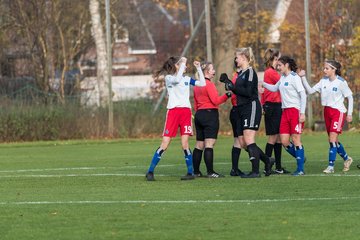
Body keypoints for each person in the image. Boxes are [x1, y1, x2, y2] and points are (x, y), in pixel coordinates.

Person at [145, 56, 206, 181]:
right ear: (176, 66)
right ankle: (150, 171)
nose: (185, 66)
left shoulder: (187, 79)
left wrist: (199, 68)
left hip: (185, 113)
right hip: (173, 113)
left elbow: (202, 83)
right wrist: (182, 63)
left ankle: (190, 172)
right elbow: (177, 80)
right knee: (165, 144)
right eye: (182, 64)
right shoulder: (169, 78)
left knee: (185, 144)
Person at [221, 47, 272, 178]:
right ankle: (267, 160)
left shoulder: (250, 72)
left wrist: (234, 87)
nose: (235, 60)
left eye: (237, 57)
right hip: (242, 108)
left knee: (249, 138)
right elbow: (238, 90)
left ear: (243, 57)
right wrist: (229, 83)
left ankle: (255, 172)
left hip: (251, 106)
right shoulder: (241, 74)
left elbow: (248, 92)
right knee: (243, 142)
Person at [299, 60, 353, 173]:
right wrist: (303, 77)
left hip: (338, 112)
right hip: (327, 111)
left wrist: (349, 113)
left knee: (332, 139)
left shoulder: (341, 82)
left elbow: (350, 97)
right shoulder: (323, 81)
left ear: (334, 70)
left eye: (327, 68)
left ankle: (331, 166)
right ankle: (347, 158)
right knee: (332, 140)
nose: (324, 70)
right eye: (324, 68)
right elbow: (309, 91)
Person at [262, 56, 307, 176]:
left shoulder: (295, 77)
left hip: (295, 111)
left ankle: (300, 168)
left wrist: (302, 112)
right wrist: (263, 84)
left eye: (280, 65)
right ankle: (300, 156)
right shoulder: (282, 77)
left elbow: (303, 95)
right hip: (285, 112)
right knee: (284, 141)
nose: (278, 67)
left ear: (286, 65)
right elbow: (275, 88)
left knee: (296, 139)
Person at [192, 62, 231, 178]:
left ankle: (196, 172)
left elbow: (195, 104)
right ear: (207, 72)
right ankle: (210, 172)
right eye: (212, 69)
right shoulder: (209, 85)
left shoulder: (197, 85)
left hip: (199, 115)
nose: (214, 71)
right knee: (209, 144)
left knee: (199, 144)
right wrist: (227, 95)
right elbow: (216, 101)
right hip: (209, 115)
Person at [261, 48, 290, 174]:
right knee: (273, 137)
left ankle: (278, 167)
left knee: (278, 138)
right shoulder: (270, 72)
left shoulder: (271, 72)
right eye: (278, 58)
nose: (280, 62)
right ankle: (267, 165)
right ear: (273, 59)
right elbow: (282, 81)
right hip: (272, 106)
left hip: (276, 106)